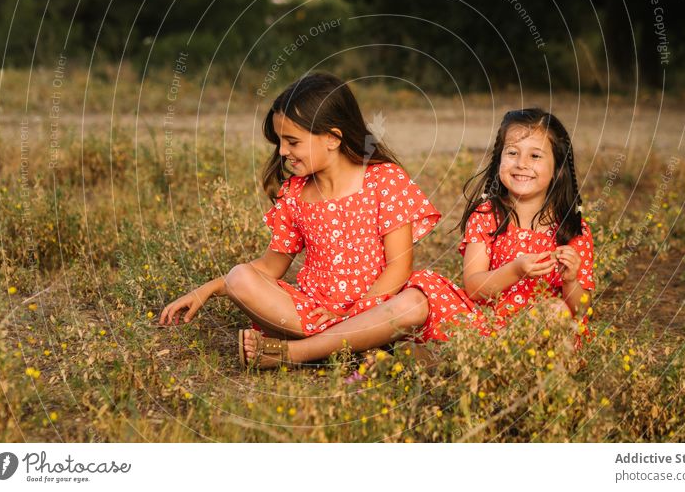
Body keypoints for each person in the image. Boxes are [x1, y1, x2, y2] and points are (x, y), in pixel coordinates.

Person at [159, 72, 478, 368]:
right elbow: (270, 268)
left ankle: (300, 352)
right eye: (280, 142)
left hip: (379, 307)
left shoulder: (384, 179)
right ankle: (356, 347)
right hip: (315, 312)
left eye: (292, 141)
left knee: (414, 303)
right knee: (240, 277)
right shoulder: (295, 194)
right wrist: (211, 288)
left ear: (333, 138)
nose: (282, 151)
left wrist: (358, 314)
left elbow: (399, 268)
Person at [458, 108, 595, 339]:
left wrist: (570, 280)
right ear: (499, 157)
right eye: (512, 153)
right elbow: (473, 288)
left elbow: (582, 309)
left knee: (557, 311)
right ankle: (491, 353)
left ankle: (509, 359)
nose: (522, 164)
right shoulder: (486, 216)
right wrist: (515, 270)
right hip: (488, 326)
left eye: (535, 156)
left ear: (557, 169)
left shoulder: (572, 229)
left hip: (544, 330)